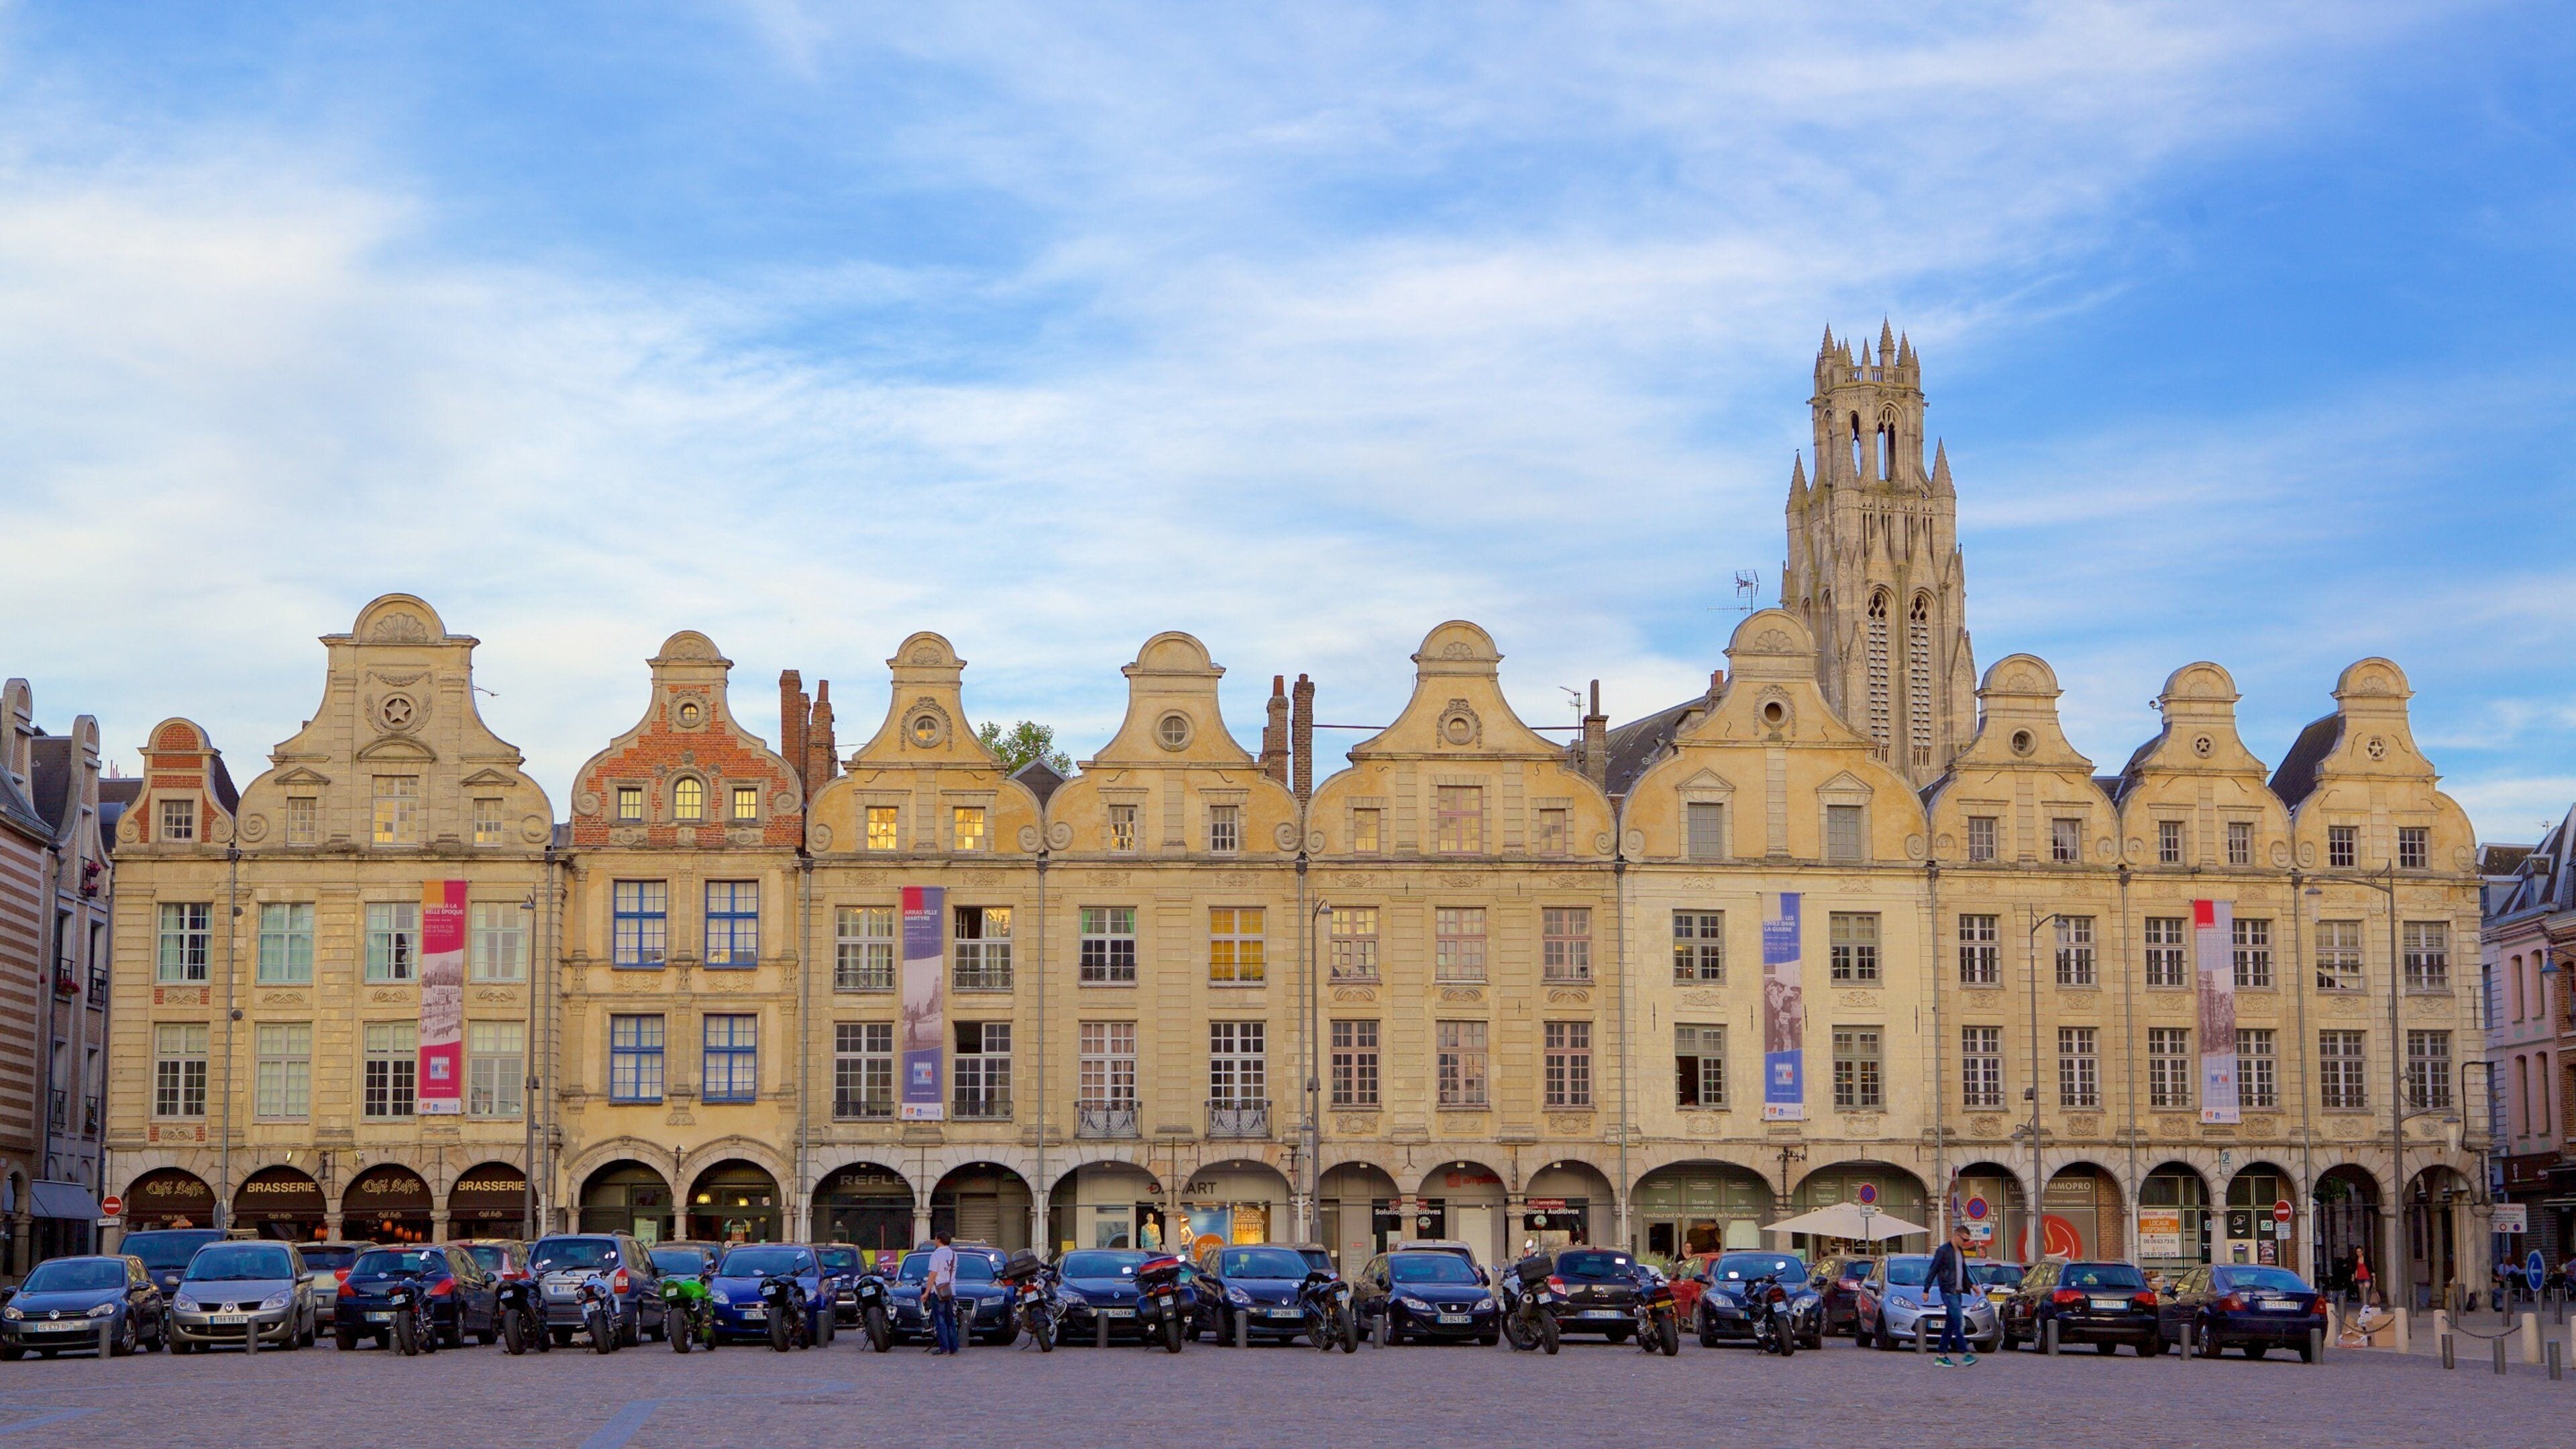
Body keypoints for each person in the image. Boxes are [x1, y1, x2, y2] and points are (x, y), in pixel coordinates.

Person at [1925, 1224, 1975, 1367]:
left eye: (1967, 1241)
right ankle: (1965, 1353)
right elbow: (1933, 1270)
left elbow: (1963, 1272)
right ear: (1956, 1236)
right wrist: (1926, 1289)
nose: (1965, 1243)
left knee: (1950, 1324)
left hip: (1958, 1293)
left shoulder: (1960, 1252)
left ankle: (1941, 1356)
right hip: (1948, 1291)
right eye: (1964, 1240)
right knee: (1960, 1322)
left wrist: (1972, 1286)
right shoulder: (1943, 1251)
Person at [925, 1231, 959, 1356]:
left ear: (939, 1240)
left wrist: (926, 1292)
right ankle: (954, 1347)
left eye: (936, 1239)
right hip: (950, 1290)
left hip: (938, 1291)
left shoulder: (936, 1255)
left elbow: (933, 1274)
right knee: (950, 1319)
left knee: (940, 1320)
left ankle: (944, 1348)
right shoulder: (954, 1254)